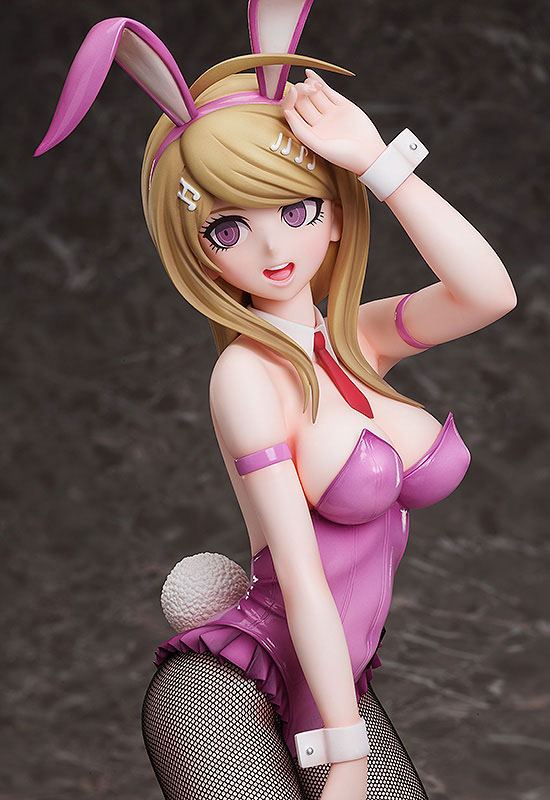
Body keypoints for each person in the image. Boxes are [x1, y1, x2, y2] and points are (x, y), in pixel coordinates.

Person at [34, 5, 517, 799]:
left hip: (330, 684)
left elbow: (487, 293)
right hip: (227, 695)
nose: (271, 248)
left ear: (335, 217)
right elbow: (300, 574)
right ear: (197, 250)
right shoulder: (246, 378)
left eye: (296, 211)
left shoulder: (358, 340)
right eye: (227, 229)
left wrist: (379, 164)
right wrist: (347, 757)